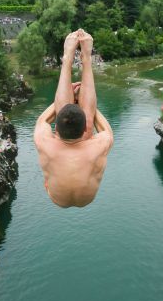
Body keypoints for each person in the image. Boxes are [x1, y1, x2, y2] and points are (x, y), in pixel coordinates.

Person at [34, 30, 114, 208]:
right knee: (85, 140)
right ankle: (86, 57)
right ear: (87, 126)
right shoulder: (99, 146)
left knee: (68, 117)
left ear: (57, 130)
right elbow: (105, 130)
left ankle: (68, 59)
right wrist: (88, 110)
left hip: (56, 198)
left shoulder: (44, 142)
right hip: (87, 198)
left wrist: (68, 93)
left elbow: (42, 121)